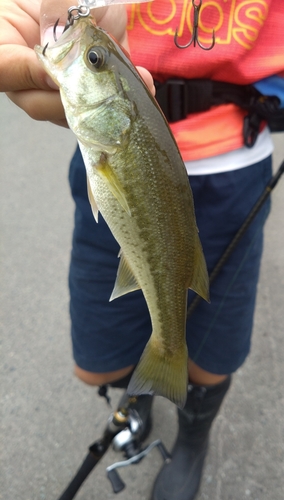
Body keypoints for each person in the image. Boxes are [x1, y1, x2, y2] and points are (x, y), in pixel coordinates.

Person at [1, 1, 283, 499]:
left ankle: (193, 434)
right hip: (123, 158)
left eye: (94, 62)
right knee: (98, 361)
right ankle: (143, 398)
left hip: (236, 159)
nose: (88, 57)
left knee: (211, 358)